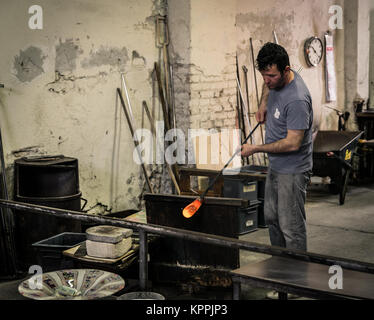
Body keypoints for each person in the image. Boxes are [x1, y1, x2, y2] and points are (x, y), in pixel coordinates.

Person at [241, 42, 313, 253]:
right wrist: (263, 104)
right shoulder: (273, 82)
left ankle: (297, 280)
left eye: (271, 76)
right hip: (276, 166)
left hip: (293, 170)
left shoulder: (297, 99)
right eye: (263, 75)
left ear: (286, 70)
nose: (266, 80)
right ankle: (281, 271)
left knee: (291, 227)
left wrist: (255, 149)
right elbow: (267, 85)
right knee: (272, 218)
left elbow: (293, 143)